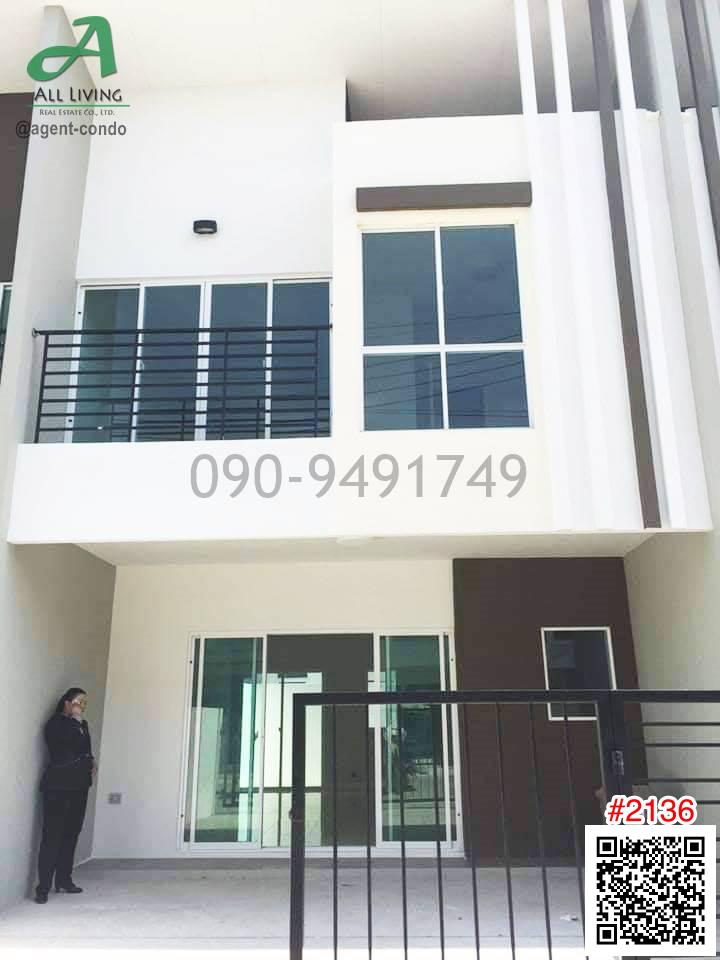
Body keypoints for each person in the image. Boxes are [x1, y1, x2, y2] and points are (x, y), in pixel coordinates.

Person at [35, 688, 96, 904]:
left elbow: (84, 749)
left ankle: (64, 879)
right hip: (58, 787)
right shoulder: (56, 724)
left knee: (71, 834)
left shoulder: (82, 725)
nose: (82, 707)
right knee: (52, 835)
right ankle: (43, 887)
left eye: (84, 703)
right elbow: (65, 746)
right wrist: (76, 721)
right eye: (79, 702)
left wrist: (91, 761)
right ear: (67, 703)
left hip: (79, 787)